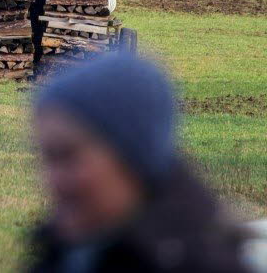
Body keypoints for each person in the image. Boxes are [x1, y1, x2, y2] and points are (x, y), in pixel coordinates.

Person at [30, 53, 252, 273]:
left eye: (69, 156)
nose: (52, 179)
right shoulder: (64, 255)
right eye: (48, 158)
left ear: (131, 155)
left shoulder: (200, 264)